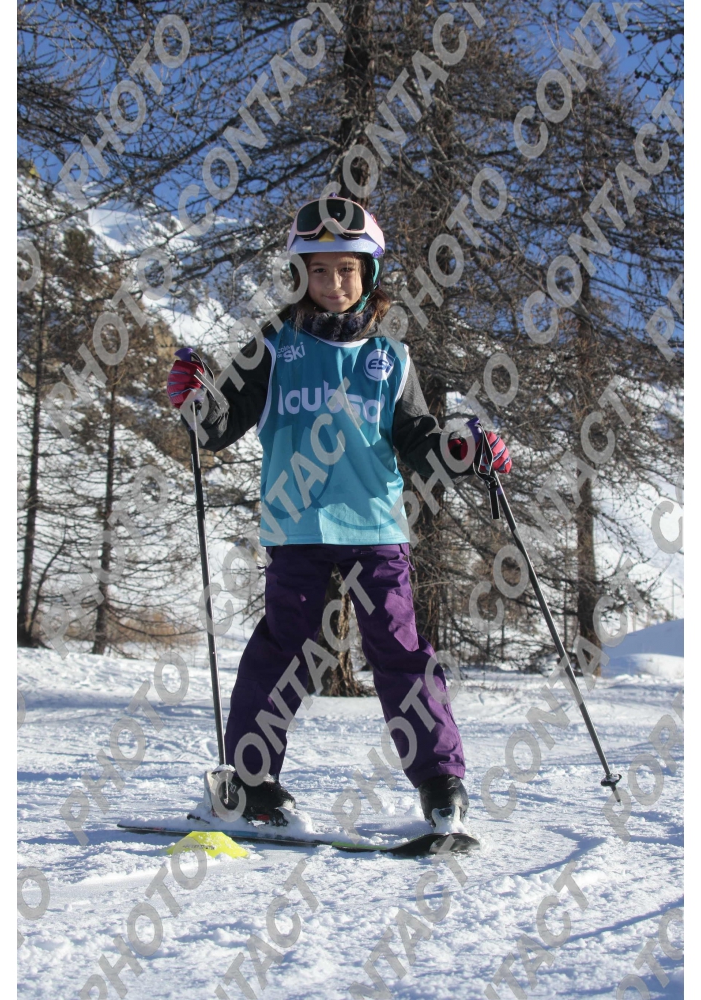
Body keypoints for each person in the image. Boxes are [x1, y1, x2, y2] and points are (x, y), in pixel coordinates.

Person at [166, 196, 511, 831]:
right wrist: (196, 401)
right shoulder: (274, 347)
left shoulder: (392, 359)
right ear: (300, 275)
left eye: (346, 270)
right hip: (296, 526)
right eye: (318, 270)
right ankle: (251, 781)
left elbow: (419, 441)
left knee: (399, 650)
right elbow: (218, 424)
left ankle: (441, 782)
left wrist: (462, 449)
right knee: (284, 651)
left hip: (375, 527)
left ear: (368, 275)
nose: (333, 283)